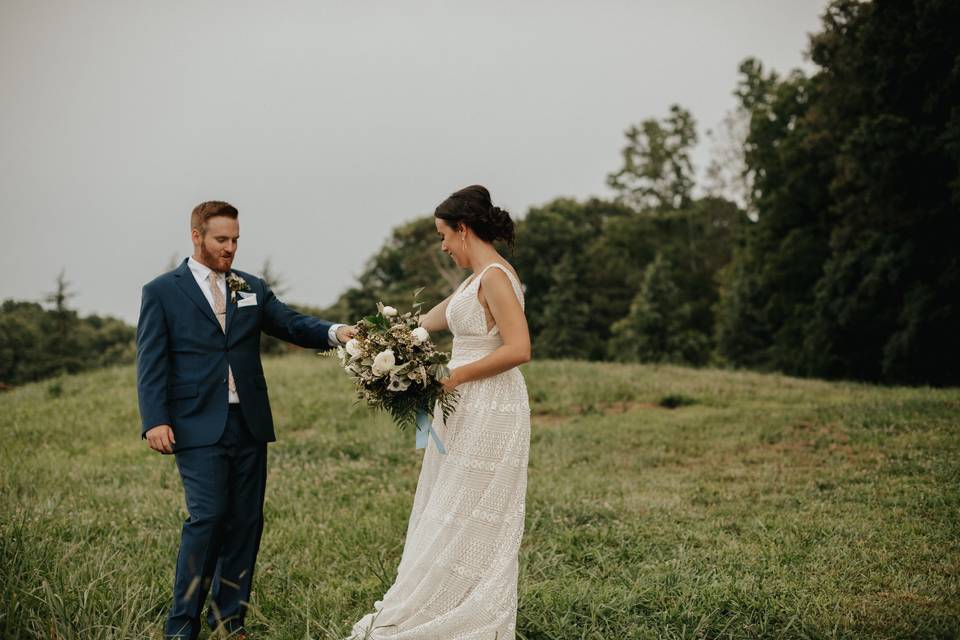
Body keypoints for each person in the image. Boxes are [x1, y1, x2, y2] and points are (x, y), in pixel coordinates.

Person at [136, 200, 356, 639]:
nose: (231, 248)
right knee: (208, 518)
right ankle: (182, 626)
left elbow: (290, 323)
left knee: (246, 521)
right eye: (222, 239)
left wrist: (336, 332)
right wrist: (154, 419)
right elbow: (151, 360)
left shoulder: (249, 286)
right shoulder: (162, 291)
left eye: (236, 240)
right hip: (195, 424)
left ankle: (229, 621)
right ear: (196, 236)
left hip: (249, 423)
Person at [348, 185, 531, 639]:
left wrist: (456, 377)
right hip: (463, 405)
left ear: (464, 230)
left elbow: (520, 348)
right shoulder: (474, 280)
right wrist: (374, 343)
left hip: (491, 405)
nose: (443, 246)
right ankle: (437, 596)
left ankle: (472, 608)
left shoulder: (495, 278)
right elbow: (426, 323)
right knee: (446, 502)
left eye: (444, 236)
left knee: (472, 506)